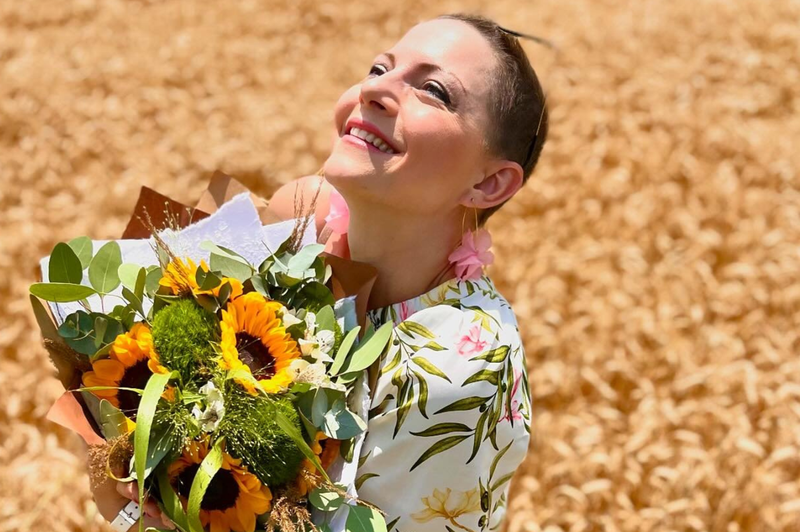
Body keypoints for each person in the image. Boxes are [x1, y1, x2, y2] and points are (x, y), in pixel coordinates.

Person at [98, 11, 549, 532]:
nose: (374, 91)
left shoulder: (459, 370)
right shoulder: (298, 221)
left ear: (488, 184)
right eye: (380, 68)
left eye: (433, 90)